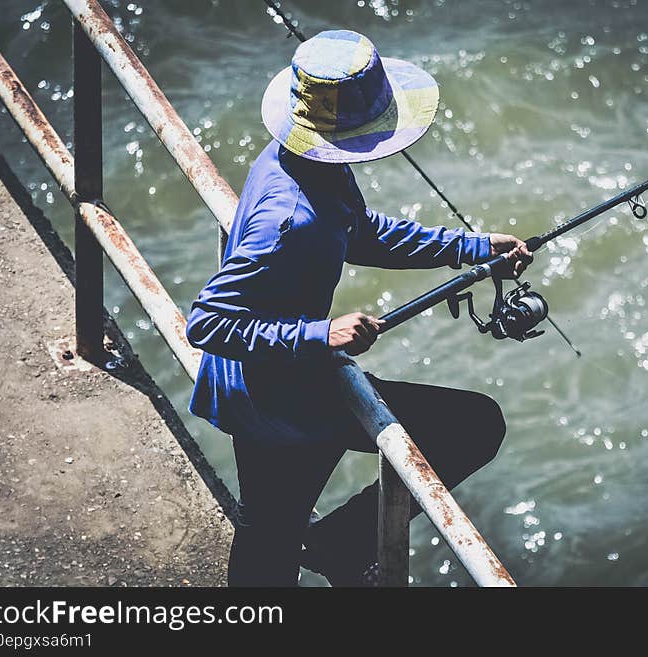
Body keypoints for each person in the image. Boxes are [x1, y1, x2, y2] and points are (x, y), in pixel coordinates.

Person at [185, 29, 533, 586]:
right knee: (474, 426)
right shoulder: (287, 221)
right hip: (279, 395)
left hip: (262, 378)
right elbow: (207, 321)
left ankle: (331, 545)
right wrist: (320, 335)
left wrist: (470, 247)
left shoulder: (299, 161)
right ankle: (338, 545)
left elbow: (360, 232)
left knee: (269, 532)